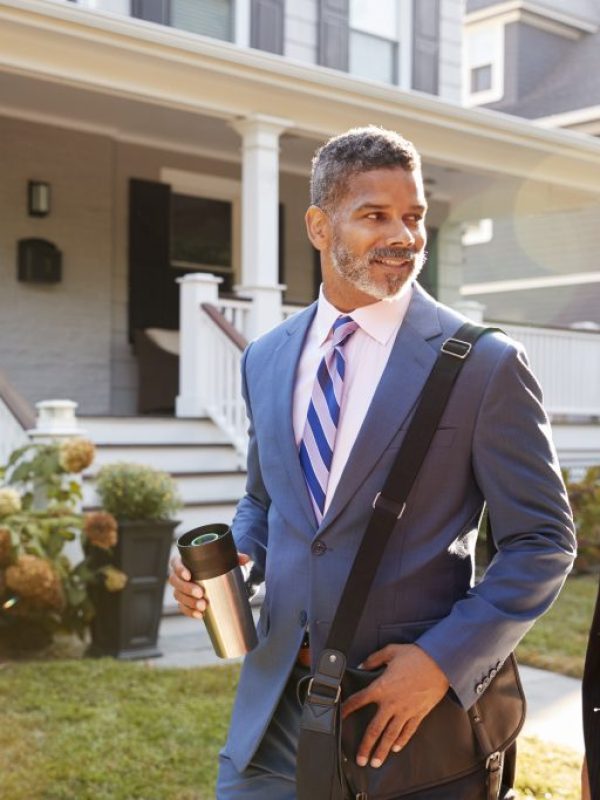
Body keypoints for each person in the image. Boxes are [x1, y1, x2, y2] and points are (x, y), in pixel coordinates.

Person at [169, 126, 576, 799]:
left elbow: (543, 542)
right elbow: (267, 502)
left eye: (412, 216)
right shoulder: (265, 357)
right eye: (374, 215)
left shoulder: (485, 365)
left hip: (407, 721)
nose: (403, 236)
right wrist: (232, 557)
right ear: (319, 226)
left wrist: (442, 663)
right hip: (273, 714)